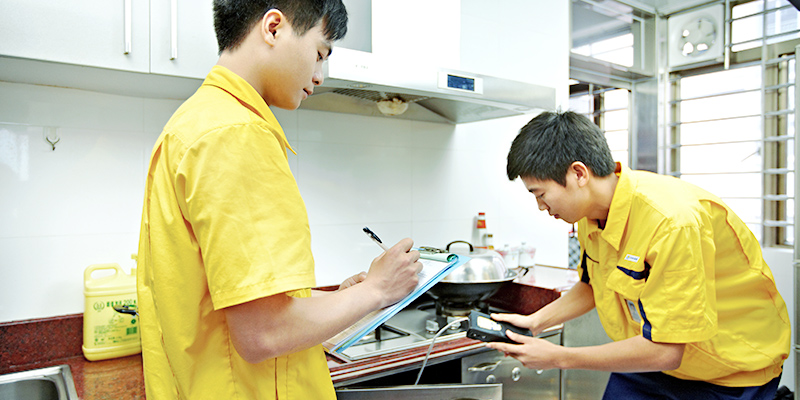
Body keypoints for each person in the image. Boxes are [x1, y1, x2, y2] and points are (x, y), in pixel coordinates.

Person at [135, 1, 422, 398]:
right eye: (319, 53)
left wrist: (338, 300)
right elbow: (264, 333)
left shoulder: (195, 122)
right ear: (273, 28)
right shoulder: (237, 134)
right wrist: (376, 290)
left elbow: (233, 306)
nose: (319, 76)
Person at [492, 110, 791, 399]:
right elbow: (592, 285)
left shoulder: (672, 222)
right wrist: (536, 321)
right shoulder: (589, 217)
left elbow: (668, 350)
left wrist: (560, 357)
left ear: (579, 173)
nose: (541, 207)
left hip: (727, 371)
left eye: (541, 194)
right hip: (651, 357)